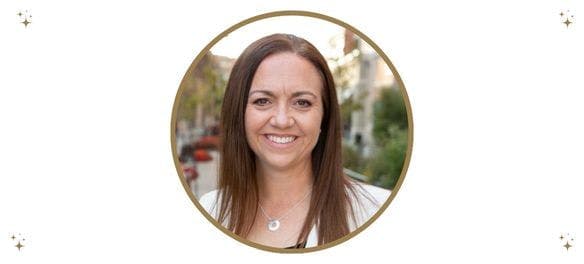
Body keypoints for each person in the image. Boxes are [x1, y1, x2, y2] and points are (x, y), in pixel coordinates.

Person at [199, 33, 390, 249]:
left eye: (302, 103)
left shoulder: (380, 212)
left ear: (324, 117)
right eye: (263, 101)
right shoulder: (209, 210)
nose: (282, 120)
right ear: (238, 112)